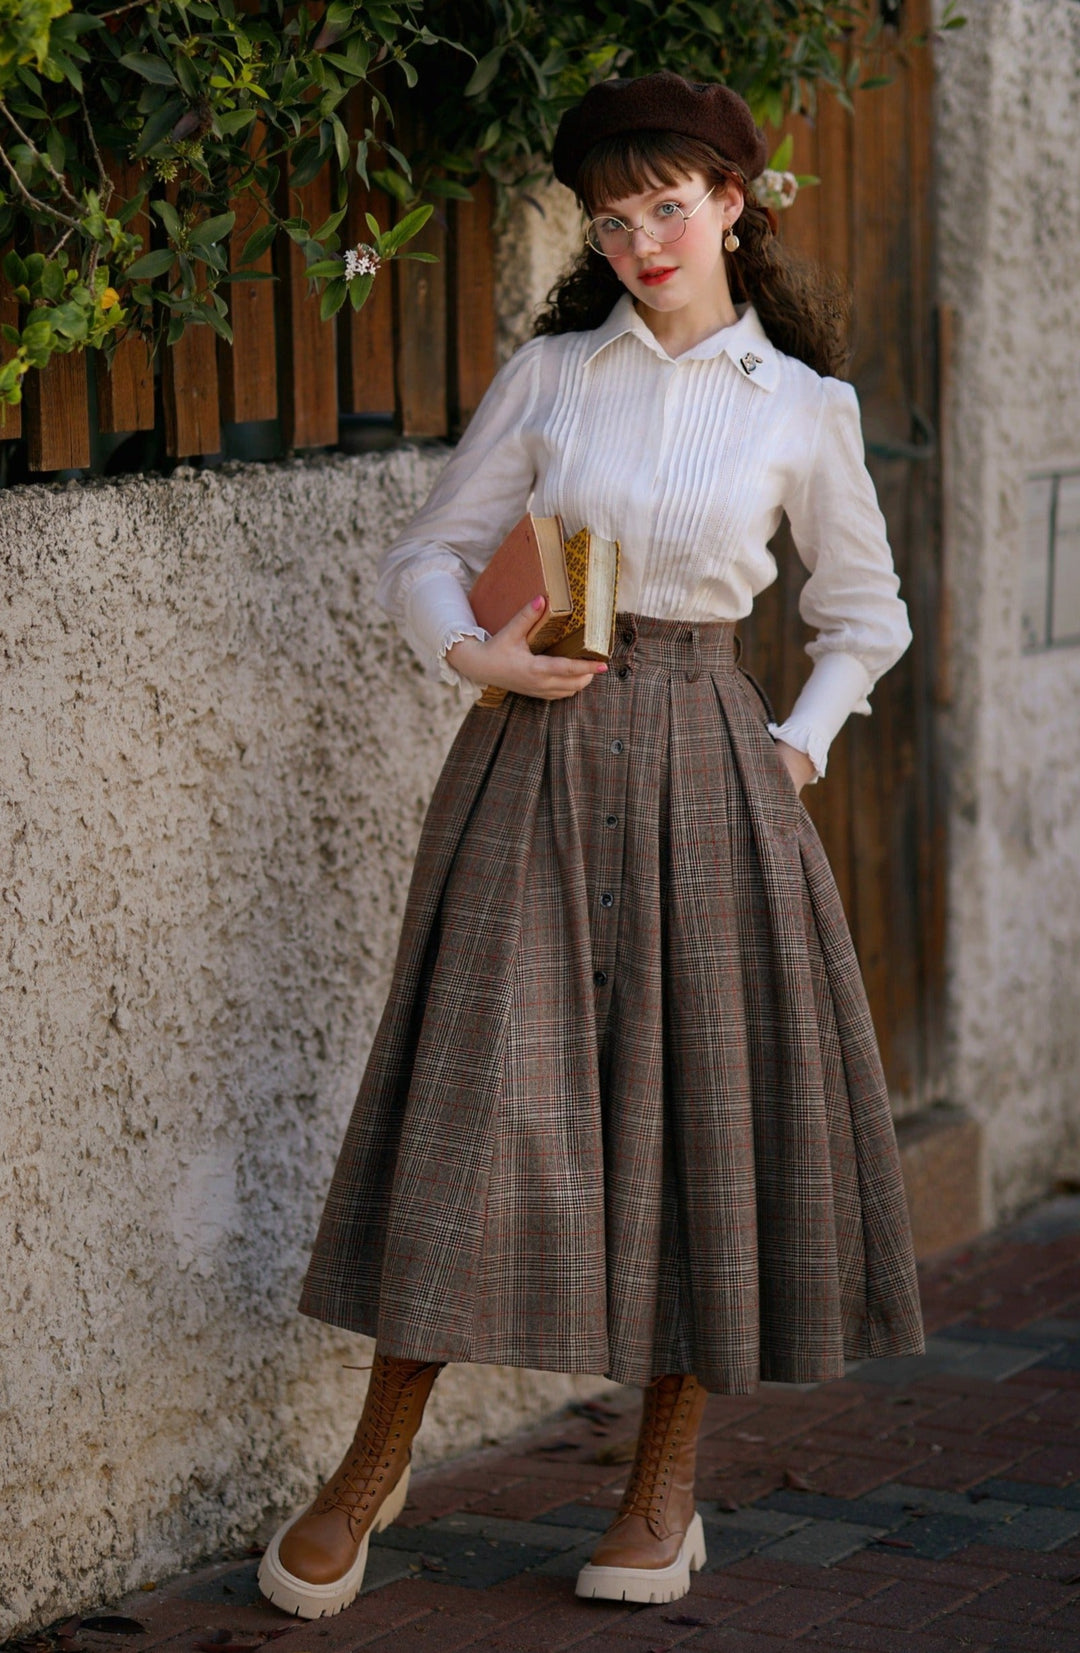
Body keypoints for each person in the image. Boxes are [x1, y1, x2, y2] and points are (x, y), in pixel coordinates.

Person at [257, 68, 925, 1620]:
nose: (639, 241)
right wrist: (474, 657)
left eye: (668, 209)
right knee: (471, 1105)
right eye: (613, 219)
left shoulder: (804, 411)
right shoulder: (556, 374)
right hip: (532, 750)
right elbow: (427, 551)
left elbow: (862, 617)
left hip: (714, 762)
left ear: (733, 206)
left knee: (700, 1117)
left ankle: (663, 1482)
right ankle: (374, 1464)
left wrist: (796, 743)